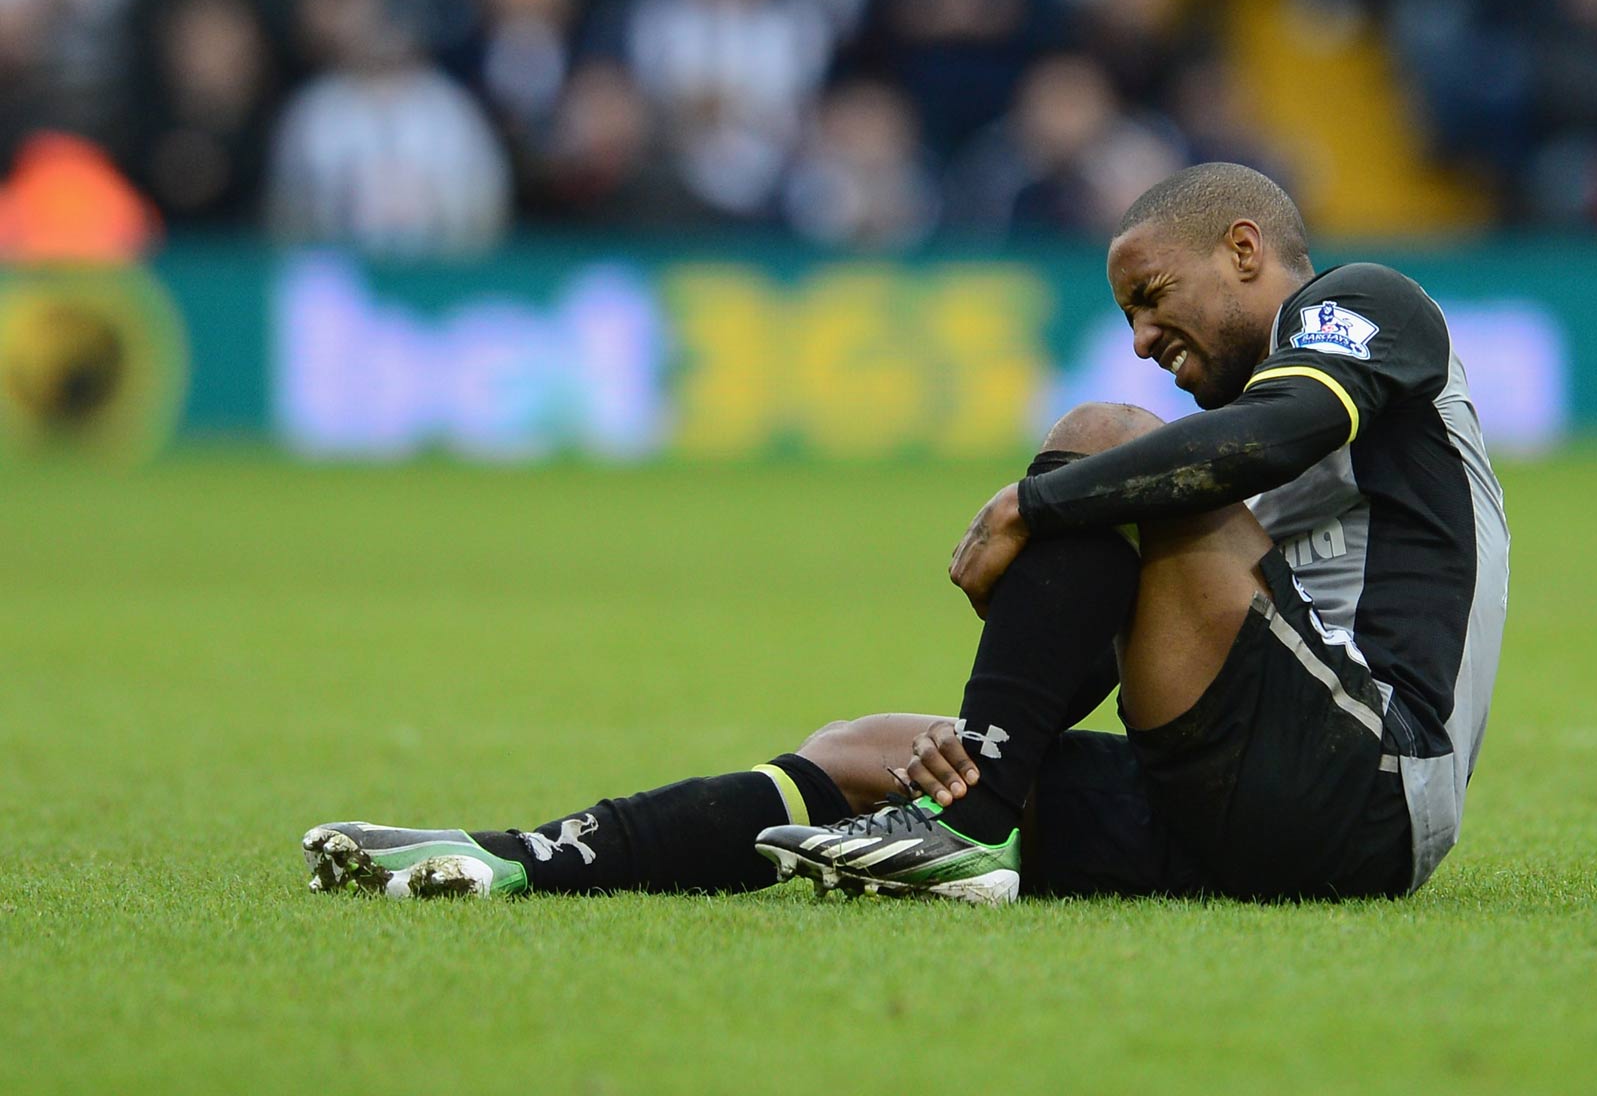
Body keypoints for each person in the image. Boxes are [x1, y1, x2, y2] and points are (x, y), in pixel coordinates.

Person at [302, 163, 1508, 903]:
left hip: (1370, 776)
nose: (1142, 337)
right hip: (1257, 800)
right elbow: (1097, 651)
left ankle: (964, 831)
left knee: (1099, 437)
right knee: (869, 746)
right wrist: (1009, 704)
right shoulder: (1230, 507)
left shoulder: (1359, 306)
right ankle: (515, 856)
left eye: (1152, 296)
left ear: (1242, 250)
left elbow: (1273, 435)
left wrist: (1032, 504)